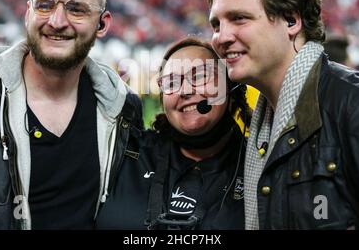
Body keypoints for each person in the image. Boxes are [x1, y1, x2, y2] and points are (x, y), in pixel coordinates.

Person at [0, 0, 143, 229]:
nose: (57, 21)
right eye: (45, 5)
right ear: (28, 13)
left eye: (76, 9)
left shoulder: (124, 108)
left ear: (102, 23)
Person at [207, 0, 359, 229]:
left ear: (291, 20)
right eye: (216, 24)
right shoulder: (265, 120)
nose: (221, 37)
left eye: (239, 18)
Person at [96, 37, 250, 230]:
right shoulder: (126, 151)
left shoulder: (259, 165)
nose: (185, 90)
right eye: (171, 82)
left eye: (200, 76)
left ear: (231, 87)